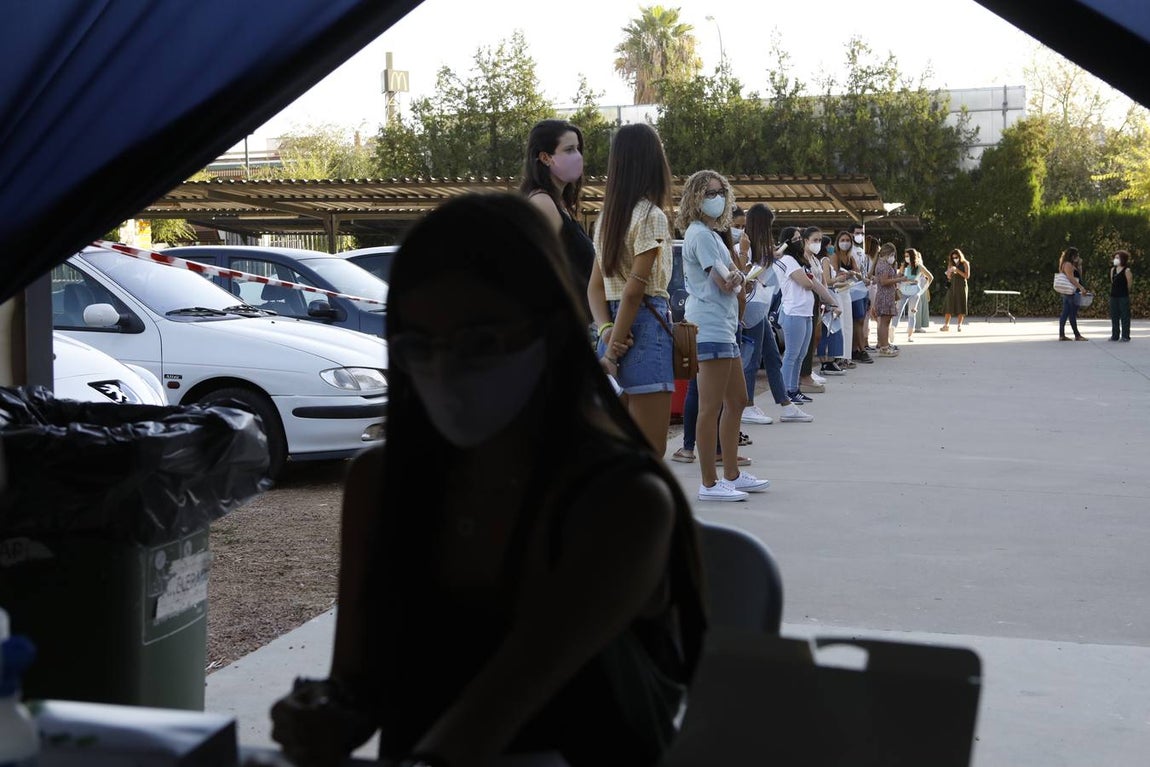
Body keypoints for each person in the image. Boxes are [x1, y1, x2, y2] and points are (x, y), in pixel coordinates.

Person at [268, 192, 707, 767]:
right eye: (420, 345)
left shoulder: (622, 502)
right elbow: (358, 684)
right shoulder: (383, 482)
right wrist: (323, 714)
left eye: (480, 341)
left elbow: (497, 709)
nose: (447, 366)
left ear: (548, 332)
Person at [677, 169, 770, 502]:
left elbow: (730, 278)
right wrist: (739, 279)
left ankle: (731, 474)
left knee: (737, 401)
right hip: (710, 327)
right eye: (708, 193)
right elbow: (722, 281)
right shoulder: (700, 235)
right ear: (695, 198)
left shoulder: (713, 234)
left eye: (719, 192)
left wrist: (739, 277)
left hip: (724, 327)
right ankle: (709, 483)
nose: (716, 199)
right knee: (711, 406)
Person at [587, 123, 677, 456]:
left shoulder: (606, 218)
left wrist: (607, 332)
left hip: (612, 331)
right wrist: (612, 354)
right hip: (644, 328)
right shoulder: (651, 216)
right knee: (650, 449)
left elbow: (595, 288)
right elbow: (634, 291)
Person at [740, 203, 812, 423]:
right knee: (752, 359)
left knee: (772, 356)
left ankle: (785, 404)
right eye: (769, 223)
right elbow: (745, 272)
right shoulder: (747, 244)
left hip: (760, 305)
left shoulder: (761, 245)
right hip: (751, 306)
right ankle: (747, 406)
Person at [521, 119, 596, 317]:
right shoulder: (543, 203)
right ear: (545, 157)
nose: (578, 156)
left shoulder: (560, 204)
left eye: (578, 149)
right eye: (569, 150)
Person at [776, 225, 842, 405]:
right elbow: (807, 283)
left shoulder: (800, 261)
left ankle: (793, 389)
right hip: (793, 313)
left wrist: (832, 302)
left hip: (804, 313)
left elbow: (817, 284)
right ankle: (785, 391)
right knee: (792, 354)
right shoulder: (788, 260)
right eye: (796, 239)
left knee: (801, 354)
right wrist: (815, 284)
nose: (799, 241)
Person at [872, 242, 908, 356]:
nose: (893, 257)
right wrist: (899, 279)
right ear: (886, 253)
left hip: (887, 295)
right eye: (892, 254)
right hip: (885, 296)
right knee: (884, 322)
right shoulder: (883, 265)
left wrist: (897, 277)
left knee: (885, 322)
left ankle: (884, 344)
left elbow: (887, 278)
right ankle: (884, 347)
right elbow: (884, 281)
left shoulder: (883, 264)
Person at [894, 248, 933, 342]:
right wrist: (900, 281)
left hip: (915, 292)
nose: (906, 258)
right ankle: (892, 330)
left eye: (908, 256)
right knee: (897, 311)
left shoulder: (919, 266)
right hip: (903, 291)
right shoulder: (904, 266)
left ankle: (910, 336)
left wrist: (922, 290)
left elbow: (930, 277)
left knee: (912, 313)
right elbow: (897, 277)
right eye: (905, 256)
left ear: (912, 256)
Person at [1058, 246, 1089, 341]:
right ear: (1072, 256)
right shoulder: (1067, 264)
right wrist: (1081, 287)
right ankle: (1076, 335)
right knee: (1071, 313)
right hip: (1071, 292)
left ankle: (1063, 334)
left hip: (1071, 292)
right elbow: (1071, 278)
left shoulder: (1070, 264)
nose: (1078, 257)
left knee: (1067, 312)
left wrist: (1079, 266)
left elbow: (1079, 276)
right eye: (1077, 255)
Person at [940, 248, 970, 332]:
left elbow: (967, 276)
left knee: (961, 304)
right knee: (948, 304)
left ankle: (959, 325)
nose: (955, 259)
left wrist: (957, 270)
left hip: (961, 286)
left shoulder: (965, 263)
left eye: (956, 257)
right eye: (953, 257)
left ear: (960, 256)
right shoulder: (951, 264)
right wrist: (949, 272)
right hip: (952, 286)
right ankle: (946, 325)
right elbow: (949, 277)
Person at [1109, 249, 1133, 342]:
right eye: (1115, 257)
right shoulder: (1113, 270)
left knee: (1125, 316)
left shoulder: (1127, 270)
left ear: (1123, 259)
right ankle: (1115, 335)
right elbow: (1112, 281)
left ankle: (1125, 336)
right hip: (1113, 295)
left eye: (1118, 257)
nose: (1116, 259)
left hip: (1123, 296)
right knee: (1114, 315)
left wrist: (1125, 292)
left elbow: (1129, 284)